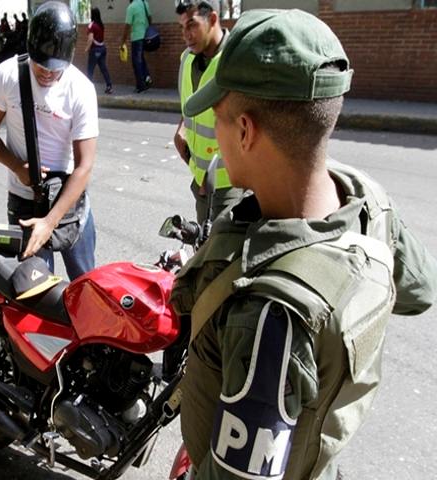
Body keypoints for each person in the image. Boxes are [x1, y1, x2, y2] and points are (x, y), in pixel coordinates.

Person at [170, 9, 437, 480]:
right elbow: (419, 291)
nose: (213, 127)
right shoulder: (367, 201)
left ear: (246, 132)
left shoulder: (270, 314)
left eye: (219, 115)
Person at [0, 1, 98, 281]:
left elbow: (84, 167)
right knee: (35, 293)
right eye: (40, 64)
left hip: (68, 203)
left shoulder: (81, 90)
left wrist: (50, 222)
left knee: (87, 288)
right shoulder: (7, 76)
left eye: (55, 69)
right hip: (25, 201)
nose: (46, 73)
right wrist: (17, 166)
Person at [174, 0, 237, 225]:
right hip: (199, 178)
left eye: (192, 25)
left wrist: (209, 180)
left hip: (230, 185)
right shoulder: (186, 59)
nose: (186, 34)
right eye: (182, 27)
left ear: (212, 19)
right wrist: (181, 126)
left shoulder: (234, 64)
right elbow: (190, 106)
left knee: (221, 254)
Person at [121, 0, 152, 93]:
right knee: (141, 60)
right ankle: (147, 78)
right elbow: (150, 18)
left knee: (136, 62)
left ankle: (141, 86)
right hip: (145, 36)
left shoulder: (131, 7)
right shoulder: (144, 3)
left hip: (136, 38)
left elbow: (127, 25)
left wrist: (123, 41)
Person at [85, 7, 113, 95]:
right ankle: (109, 86)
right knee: (104, 68)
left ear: (92, 14)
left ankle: (87, 89)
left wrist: (87, 48)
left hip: (95, 50)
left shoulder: (92, 25)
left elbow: (90, 38)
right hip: (103, 49)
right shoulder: (101, 25)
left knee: (90, 70)